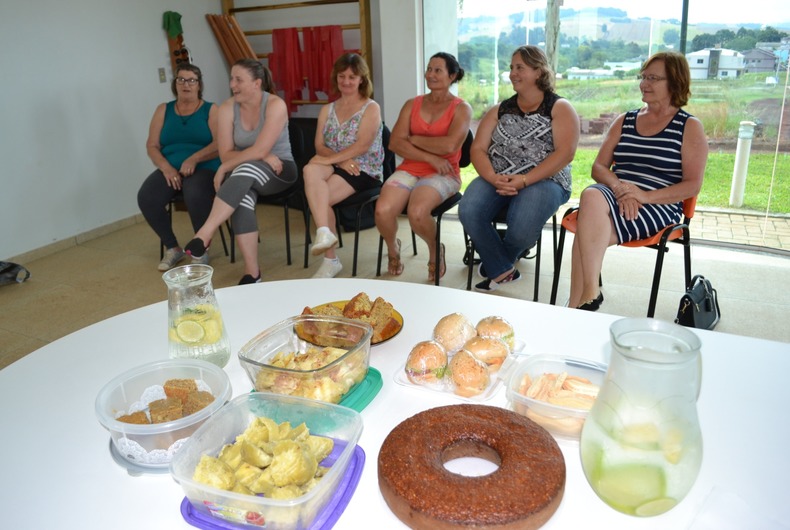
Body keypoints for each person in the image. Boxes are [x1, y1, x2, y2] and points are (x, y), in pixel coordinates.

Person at [567, 51, 708, 311]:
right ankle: (588, 293)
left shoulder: (689, 127)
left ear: (675, 82)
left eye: (653, 78)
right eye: (643, 77)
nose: (644, 83)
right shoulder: (626, 120)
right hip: (615, 196)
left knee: (587, 231)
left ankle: (575, 306)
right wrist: (621, 189)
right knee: (591, 195)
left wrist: (644, 196)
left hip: (660, 204)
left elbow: (692, 185)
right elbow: (598, 167)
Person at [459, 46, 579, 292]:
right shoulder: (500, 109)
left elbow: (565, 153)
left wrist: (524, 180)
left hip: (546, 180)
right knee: (468, 209)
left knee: (523, 228)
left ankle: (498, 258)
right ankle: (502, 268)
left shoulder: (559, 108)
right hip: (498, 177)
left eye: (520, 68)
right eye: (511, 67)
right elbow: (478, 150)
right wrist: (493, 178)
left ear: (538, 71)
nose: (512, 73)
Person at [184, 59, 297, 285]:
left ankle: (205, 232)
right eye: (231, 78)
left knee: (241, 170)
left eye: (238, 80)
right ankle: (252, 273)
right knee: (241, 198)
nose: (232, 84)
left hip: (280, 170)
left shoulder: (275, 105)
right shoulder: (227, 108)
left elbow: (231, 159)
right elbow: (226, 153)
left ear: (257, 83)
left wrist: (228, 166)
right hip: (245, 173)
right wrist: (259, 154)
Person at [375, 52, 472, 282]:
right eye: (429, 69)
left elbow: (450, 145)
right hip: (411, 168)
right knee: (382, 211)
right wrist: (430, 157)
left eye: (437, 70)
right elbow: (395, 142)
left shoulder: (461, 108)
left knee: (417, 213)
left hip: (444, 173)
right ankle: (393, 247)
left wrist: (414, 139)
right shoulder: (413, 104)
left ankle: (435, 249)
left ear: (452, 75)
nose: (431, 74)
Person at [303, 53, 384, 278]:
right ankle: (324, 234)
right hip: (338, 163)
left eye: (352, 76)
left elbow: (363, 145)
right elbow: (319, 145)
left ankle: (330, 258)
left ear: (362, 80)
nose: (346, 81)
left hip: (363, 168)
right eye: (342, 76)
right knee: (310, 170)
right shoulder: (327, 109)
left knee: (320, 198)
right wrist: (337, 160)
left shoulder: (371, 107)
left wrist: (332, 160)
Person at [137, 64, 220, 271]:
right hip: (172, 168)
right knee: (147, 196)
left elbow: (220, 144)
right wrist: (166, 167)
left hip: (205, 166)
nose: (186, 84)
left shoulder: (211, 109)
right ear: (175, 84)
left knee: (194, 192)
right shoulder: (163, 109)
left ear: (199, 85)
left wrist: (194, 158)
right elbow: (152, 145)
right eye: (181, 80)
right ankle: (173, 248)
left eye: (191, 80)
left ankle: (200, 248)